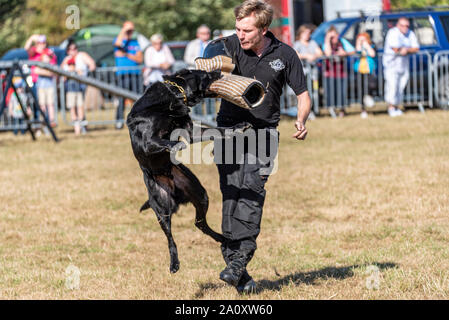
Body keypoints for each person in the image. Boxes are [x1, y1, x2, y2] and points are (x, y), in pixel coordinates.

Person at [208, 0, 311, 293]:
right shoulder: (228, 46)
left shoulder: (285, 54)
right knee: (231, 196)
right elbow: (209, 58)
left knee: (251, 194)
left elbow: (303, 94)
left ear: (264, 29)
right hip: (228, 132)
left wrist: (301, 119)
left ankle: (238, 261)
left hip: (263, 134)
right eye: (238, 28)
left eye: (247, 30)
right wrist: (211, 63)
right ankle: (239, 273)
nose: (240, 35)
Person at [383, 17, 419, 117]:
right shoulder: (392, 33)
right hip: (391, 65)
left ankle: (396, 107)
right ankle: (391, 108)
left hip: (403, 65)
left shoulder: (410, 34)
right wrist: (406, 49)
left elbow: (416, 48)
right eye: (403, 26)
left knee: (401, 86)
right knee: (392, 86)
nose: (405, 28)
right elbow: (395, 48)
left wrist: (406, 50)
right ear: (398, 25)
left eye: (407, 26)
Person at [61, 40, 96, 135]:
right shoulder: (66, 59)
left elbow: (92, 65)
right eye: (70, 49)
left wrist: (85, 72)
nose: (73, 51)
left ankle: (82, 126)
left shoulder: (82, 55)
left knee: (80, 106)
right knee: (73, 106)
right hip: (70, 86)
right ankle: (78, 127)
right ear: (67, 50)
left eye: (74, 48)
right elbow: (61, 73)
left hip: (81, 84)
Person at [113, 21, 143, 129]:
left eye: (131, 30)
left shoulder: (135, 43)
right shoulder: (119, 41)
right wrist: (124, 30)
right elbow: (117, 44)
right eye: (128, 30)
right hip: (122, 74)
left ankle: (138, 121)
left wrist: (126, 54)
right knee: (121, 98)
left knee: (137, 98)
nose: (130, 32)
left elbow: (140, 59)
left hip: (135, 73)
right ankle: (119, 121)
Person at [24, 34, 57, 129]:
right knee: (34, 105)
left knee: (46, 104)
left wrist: (41, 71)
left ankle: (46, 123)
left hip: (45, 83)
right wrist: (32, 38)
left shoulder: (49, 53)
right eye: (39, 43)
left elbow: (53, 70)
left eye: (43, 43)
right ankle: (37, 125)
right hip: (34, 82)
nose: (41, 45)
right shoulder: (34, 51)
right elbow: (26, 48)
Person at [322, 26, 355, 117]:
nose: (334, 38)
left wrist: (345, 53)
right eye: (331, 37)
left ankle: (342, 110)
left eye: (335, 35)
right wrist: (327, 39)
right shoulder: (326, 43)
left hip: (341, 72)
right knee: (331, 92)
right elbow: (328, 54)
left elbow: (353, 51)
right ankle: (332, 109)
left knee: (342, 92)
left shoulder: (342, 42)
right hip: (330, 73)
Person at [353, 32, 377, 118]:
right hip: (359, 71)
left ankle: (369, 97)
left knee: (372, 85)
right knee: (361, 90)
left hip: (369, 71)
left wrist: (366, 46)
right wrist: (359, 44)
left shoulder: (372, 45)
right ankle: (363, 109)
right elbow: (357, 52)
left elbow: (372, 54)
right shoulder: (358, 47)